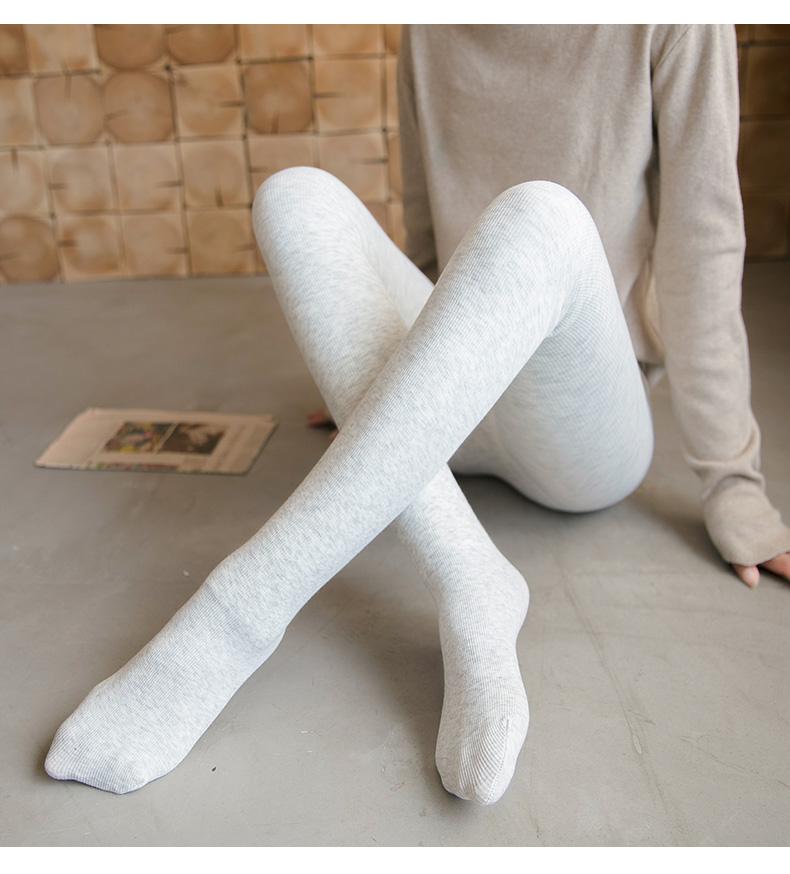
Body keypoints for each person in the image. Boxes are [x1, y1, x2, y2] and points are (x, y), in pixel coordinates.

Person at [44, 24, 789, 806]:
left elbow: (703, 248)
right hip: (452, 409)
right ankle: (473, 579)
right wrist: (380, 389)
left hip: (579, 426)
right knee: (293, 196)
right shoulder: (432, 26)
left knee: (542, 214)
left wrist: (733, 483)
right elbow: (428, 248)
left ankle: (237, 613)